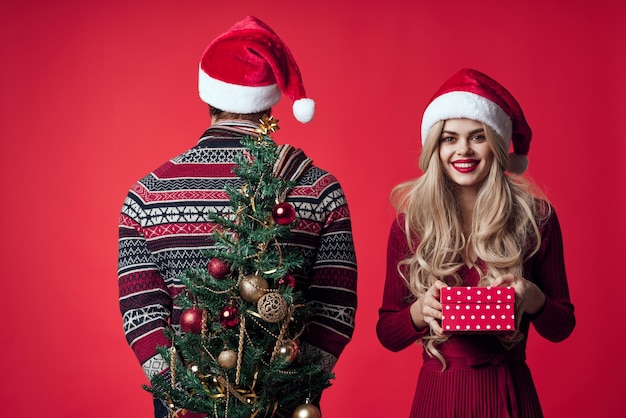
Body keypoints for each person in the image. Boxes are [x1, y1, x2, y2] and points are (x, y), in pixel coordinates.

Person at [118, 16, 357, 418]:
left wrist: (186, 397)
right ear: (272, 99)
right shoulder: (318, 189)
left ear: (206, 95)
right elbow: (336, 308)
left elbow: (140, 313)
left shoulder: (146, 194)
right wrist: (292, 389)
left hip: (184, 406)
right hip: (284, 404)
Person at [376, 68, 575, 417]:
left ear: (497, 143)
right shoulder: (411, 225)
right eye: (449, 138)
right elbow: (387, 334)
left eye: (477, 136)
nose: (463, 150)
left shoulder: (536, 218)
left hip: (509, 394)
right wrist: (420, 311)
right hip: (438, 397)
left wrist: (531, 297)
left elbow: (562, 327)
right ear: (435, 147)